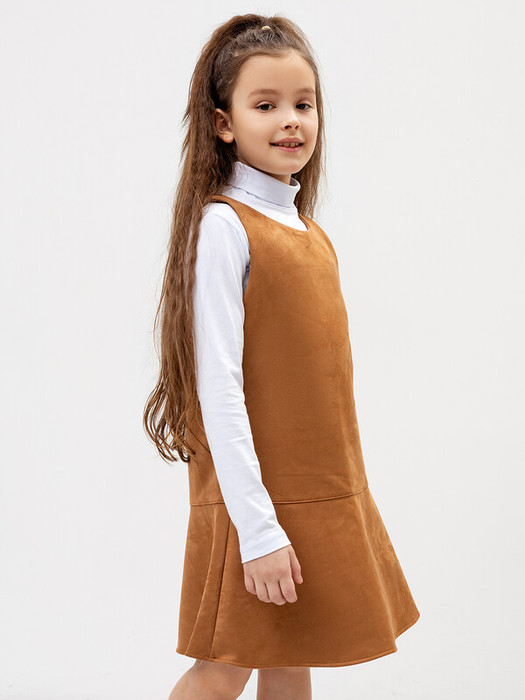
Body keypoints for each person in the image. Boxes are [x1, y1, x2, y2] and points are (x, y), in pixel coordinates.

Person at [143, 13, 420, 700]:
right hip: (256, 502)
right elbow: (219, 388)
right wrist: (258, 529)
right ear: (223, 123)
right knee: (223, 668)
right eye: (265, 105)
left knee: (292, 658)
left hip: (313, 493)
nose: (290, 120)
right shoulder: (224, 227)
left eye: (303, 103)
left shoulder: (308, 233)